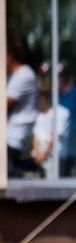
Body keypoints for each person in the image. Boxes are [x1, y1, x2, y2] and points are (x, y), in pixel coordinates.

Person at [6, 41, 38, 177]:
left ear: (9, 56)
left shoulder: (24, 75)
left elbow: (5, 106)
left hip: (14, 138)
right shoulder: (14, 76)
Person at [31, 92, 70, 178]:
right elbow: (35, 135)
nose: (39, 102)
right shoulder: (38, 115)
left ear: (46, 99)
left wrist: (44, 153)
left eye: (41, 99)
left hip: (56, 156)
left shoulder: (62, 112)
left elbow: (57, 136)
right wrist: (37, 152)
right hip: (40, 158)